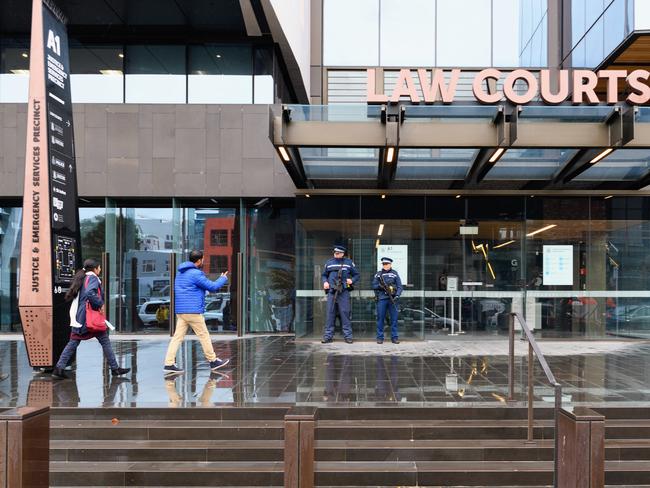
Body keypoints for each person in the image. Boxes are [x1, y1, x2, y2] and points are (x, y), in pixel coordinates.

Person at [52, 259, 130, 380]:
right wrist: (100, 303)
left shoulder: (83, 278)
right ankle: (115, 369)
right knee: (104, 340)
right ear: (95, 269)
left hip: (80, 317)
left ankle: (59, 368)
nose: (100, 270)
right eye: (99, 268)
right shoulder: (92, 278)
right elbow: (90, 293)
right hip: (89, 318)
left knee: (73, 342)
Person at [163, 250, 230, 374]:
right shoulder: (196, 274)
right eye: (203, 259)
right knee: (204, 335)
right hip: (193, 310)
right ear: (199, 260)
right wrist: (223, 278)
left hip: (181, 310)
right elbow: (213, 287)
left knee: (177, 337)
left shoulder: (180, 273)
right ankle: (213, 360)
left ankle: (169, 363)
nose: (203, 261)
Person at [321, 245, 359, 344]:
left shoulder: (348, 263)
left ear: (342, 253)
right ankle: (328, 336)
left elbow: (356, 275)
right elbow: (324, 275)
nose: (336, 254)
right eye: (335, 253)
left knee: (345, 313)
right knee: (330, 314)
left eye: (338, 253)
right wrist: (325, 282)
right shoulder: (329, 263)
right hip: (332, 291)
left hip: (343, 291)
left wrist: (352, 280)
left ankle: (348, 336)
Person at [372, 257, 403, 344]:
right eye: (384, 264)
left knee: (394, 319)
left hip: (393, 299)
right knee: (380, 318)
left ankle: (394, 337)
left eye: (387, 264)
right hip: (382, 299)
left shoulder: (394, 273)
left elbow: (400, 286)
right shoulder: (378, 274)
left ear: (390, 264)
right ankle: (380, 337)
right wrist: (380, 286)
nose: (385, 265)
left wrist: (397, 295)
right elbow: (373, 285)